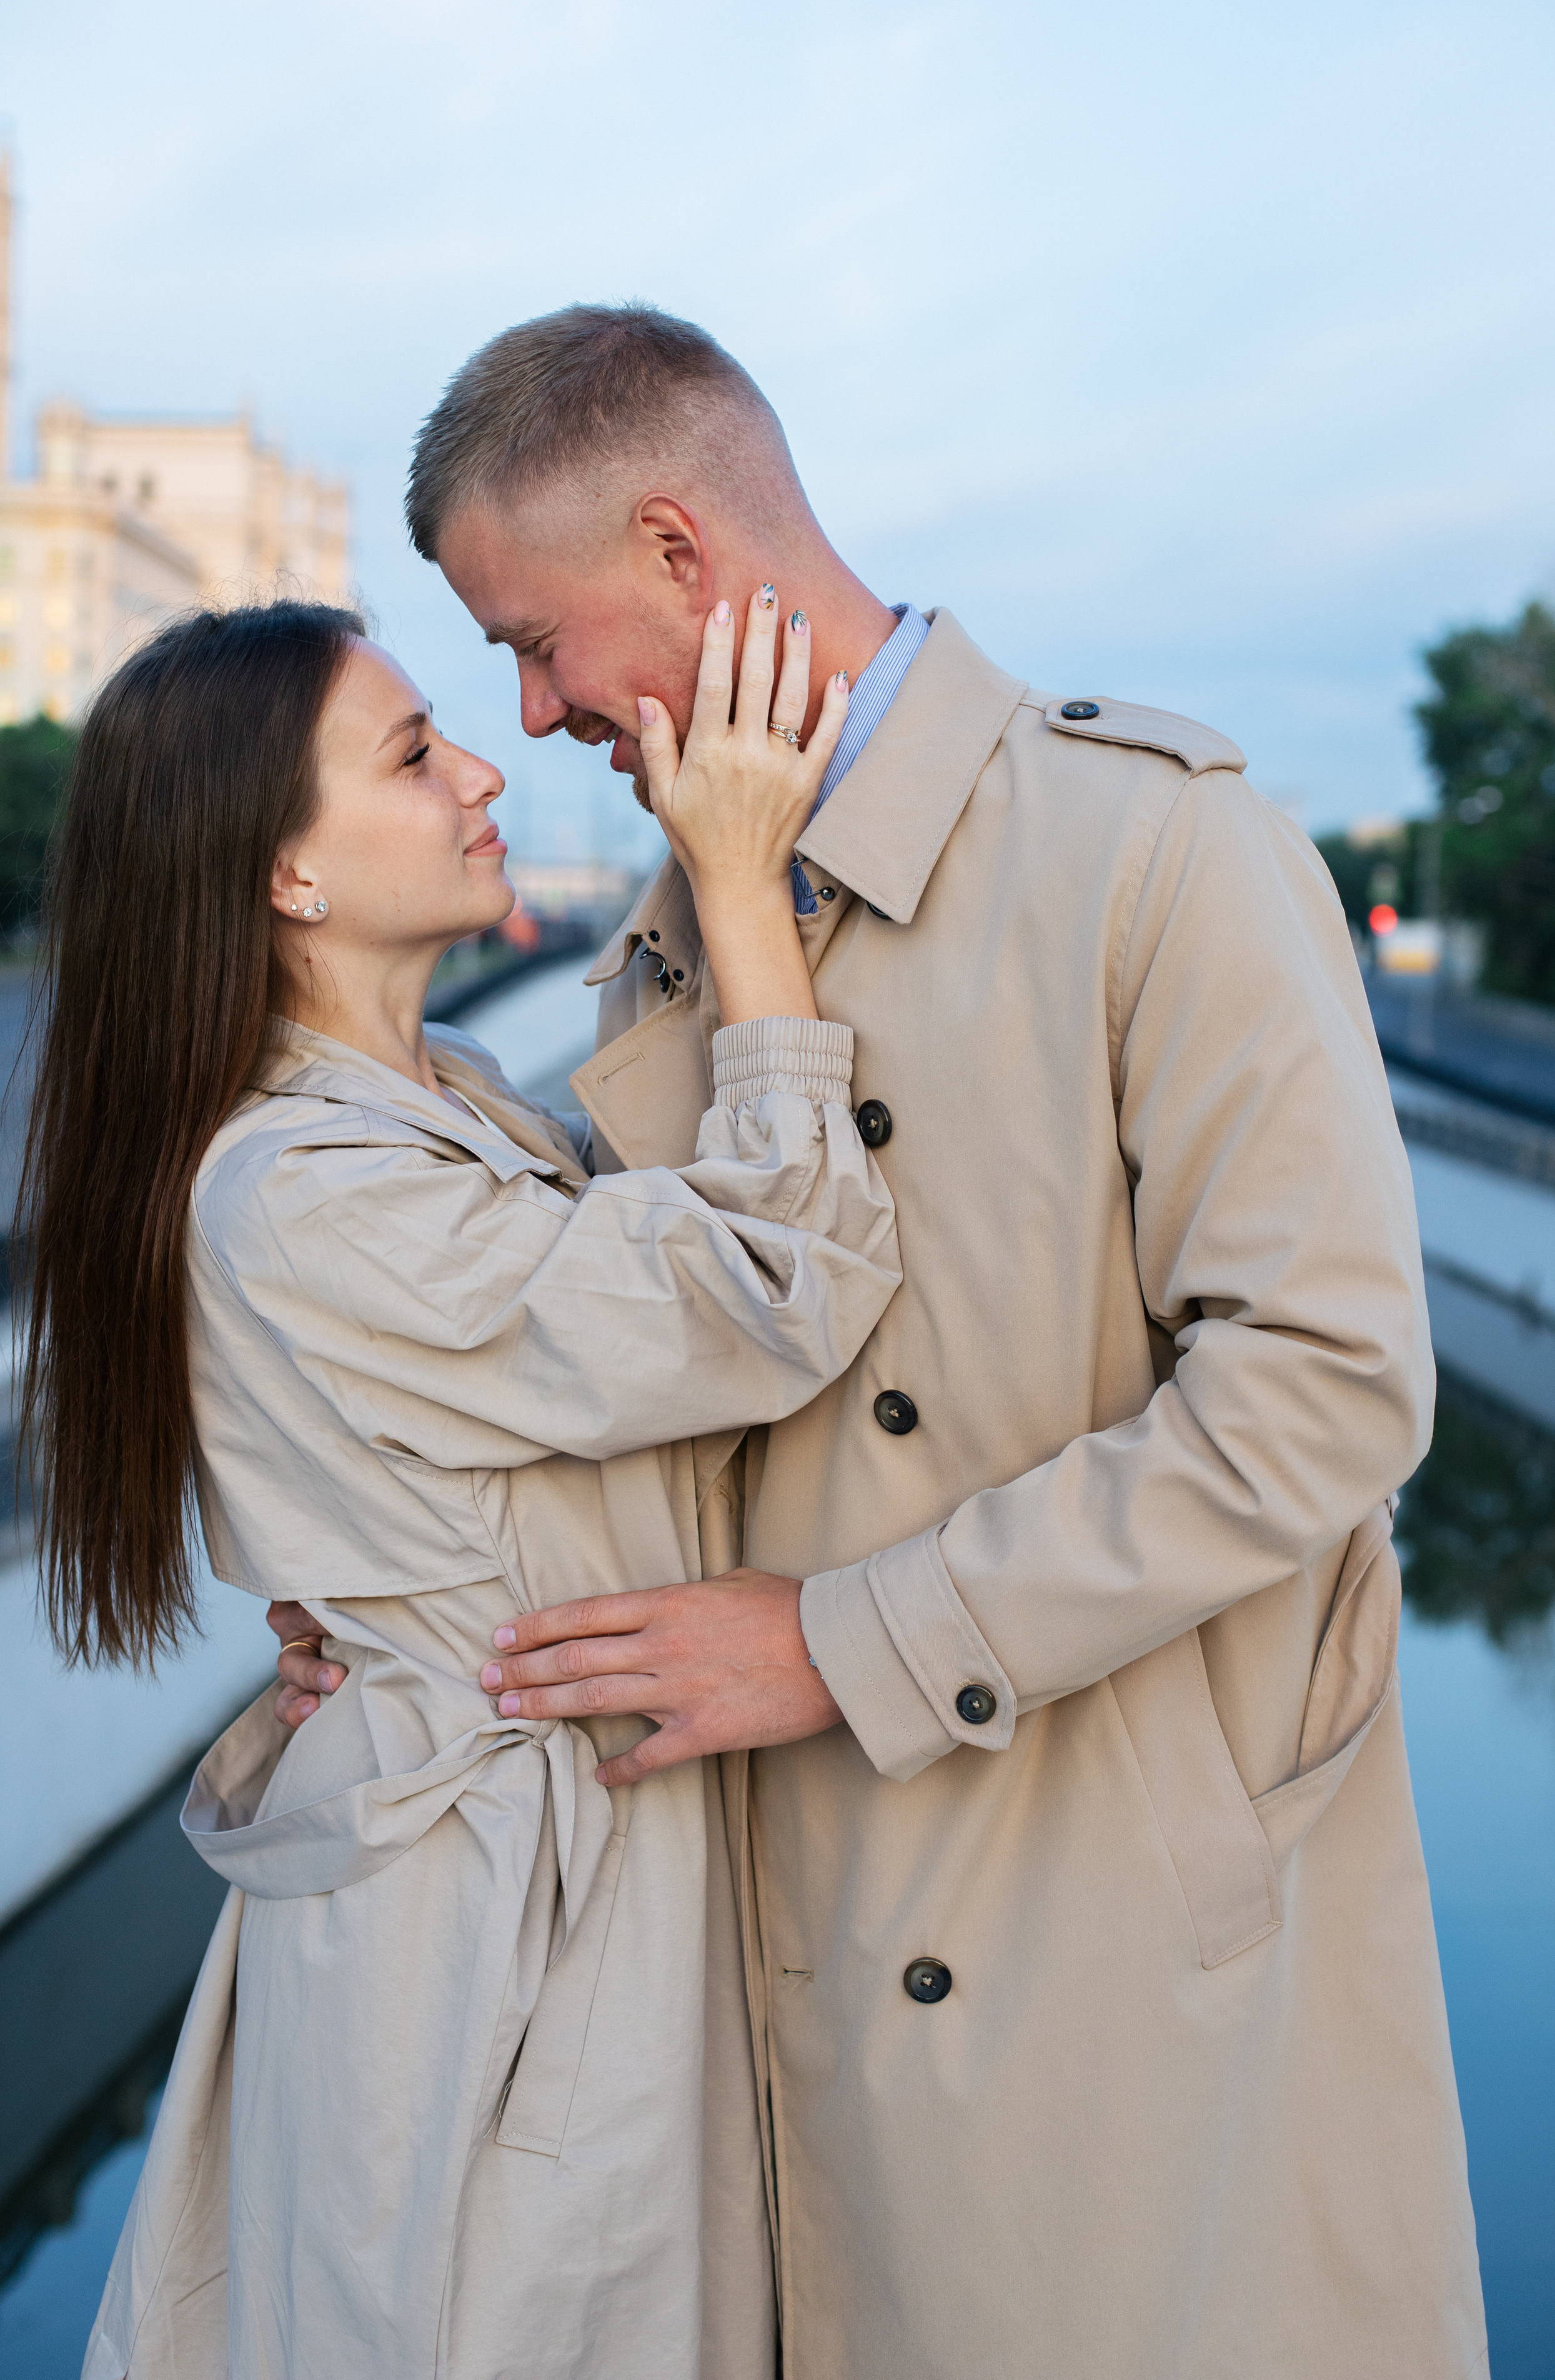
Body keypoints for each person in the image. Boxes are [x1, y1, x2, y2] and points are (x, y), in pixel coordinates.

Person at [278, 304, 1489, 2378]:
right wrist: (418, 1619)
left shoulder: (1154, 846)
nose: (533, 707)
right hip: (776, 1965)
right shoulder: (676, 926)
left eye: (537, 638)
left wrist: (842, 1640)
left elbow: (1327, 1394)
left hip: (1111, 1968)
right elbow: (672, 1389)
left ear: (679, 555)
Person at [24, 590, 900, 2380]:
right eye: (415, 752)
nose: (487, 767)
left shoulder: (451, 1101)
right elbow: (773, 1291)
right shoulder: (312, 1190)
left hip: (527, 1864)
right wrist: (737, 882)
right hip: (501, 1941)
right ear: (286, 875)